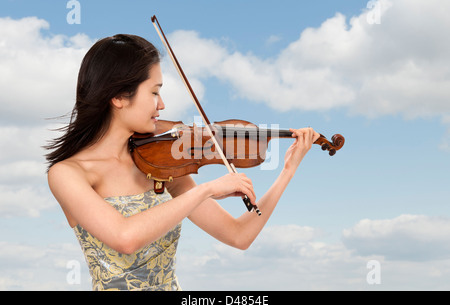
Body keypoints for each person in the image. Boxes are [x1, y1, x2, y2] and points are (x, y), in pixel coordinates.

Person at [45, 34, 319, 291]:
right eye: (154, 92)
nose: (162, 104)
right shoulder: (68, 174)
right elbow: (125, 238)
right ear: (118, 97)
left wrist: (288, 170)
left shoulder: (159, 165)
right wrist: (206, 190)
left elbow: (239, 235)